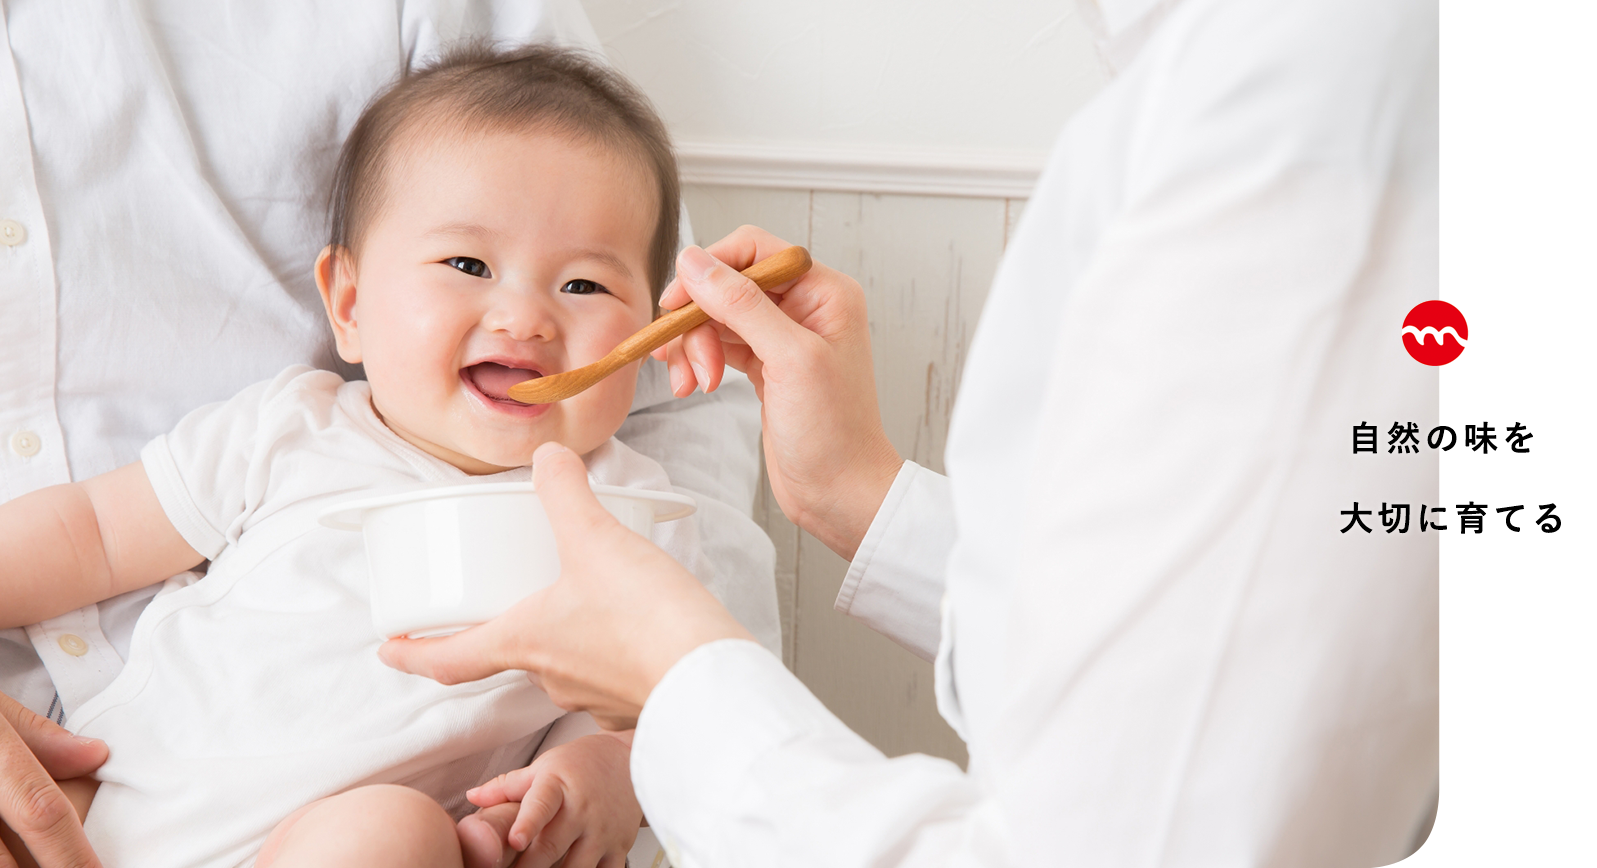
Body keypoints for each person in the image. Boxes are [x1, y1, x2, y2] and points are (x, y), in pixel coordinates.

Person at [379, 0, 1442, 863]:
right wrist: (858, 490)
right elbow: (1207, 631)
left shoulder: (1327, 96)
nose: (521, 315)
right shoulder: (1269, 76)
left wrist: (677, 681)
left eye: (579, 279)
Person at [0, 5, 774, 868]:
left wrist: (598, 779)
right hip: (112, 809)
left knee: (394, 833)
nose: (526, 318)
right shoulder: (287, 427)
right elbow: (90, 534)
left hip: (335, 842)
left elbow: (648, 703)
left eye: (584, 286)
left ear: (652, 333)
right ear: (348, 305)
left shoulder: (632, 514)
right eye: (468, 265)